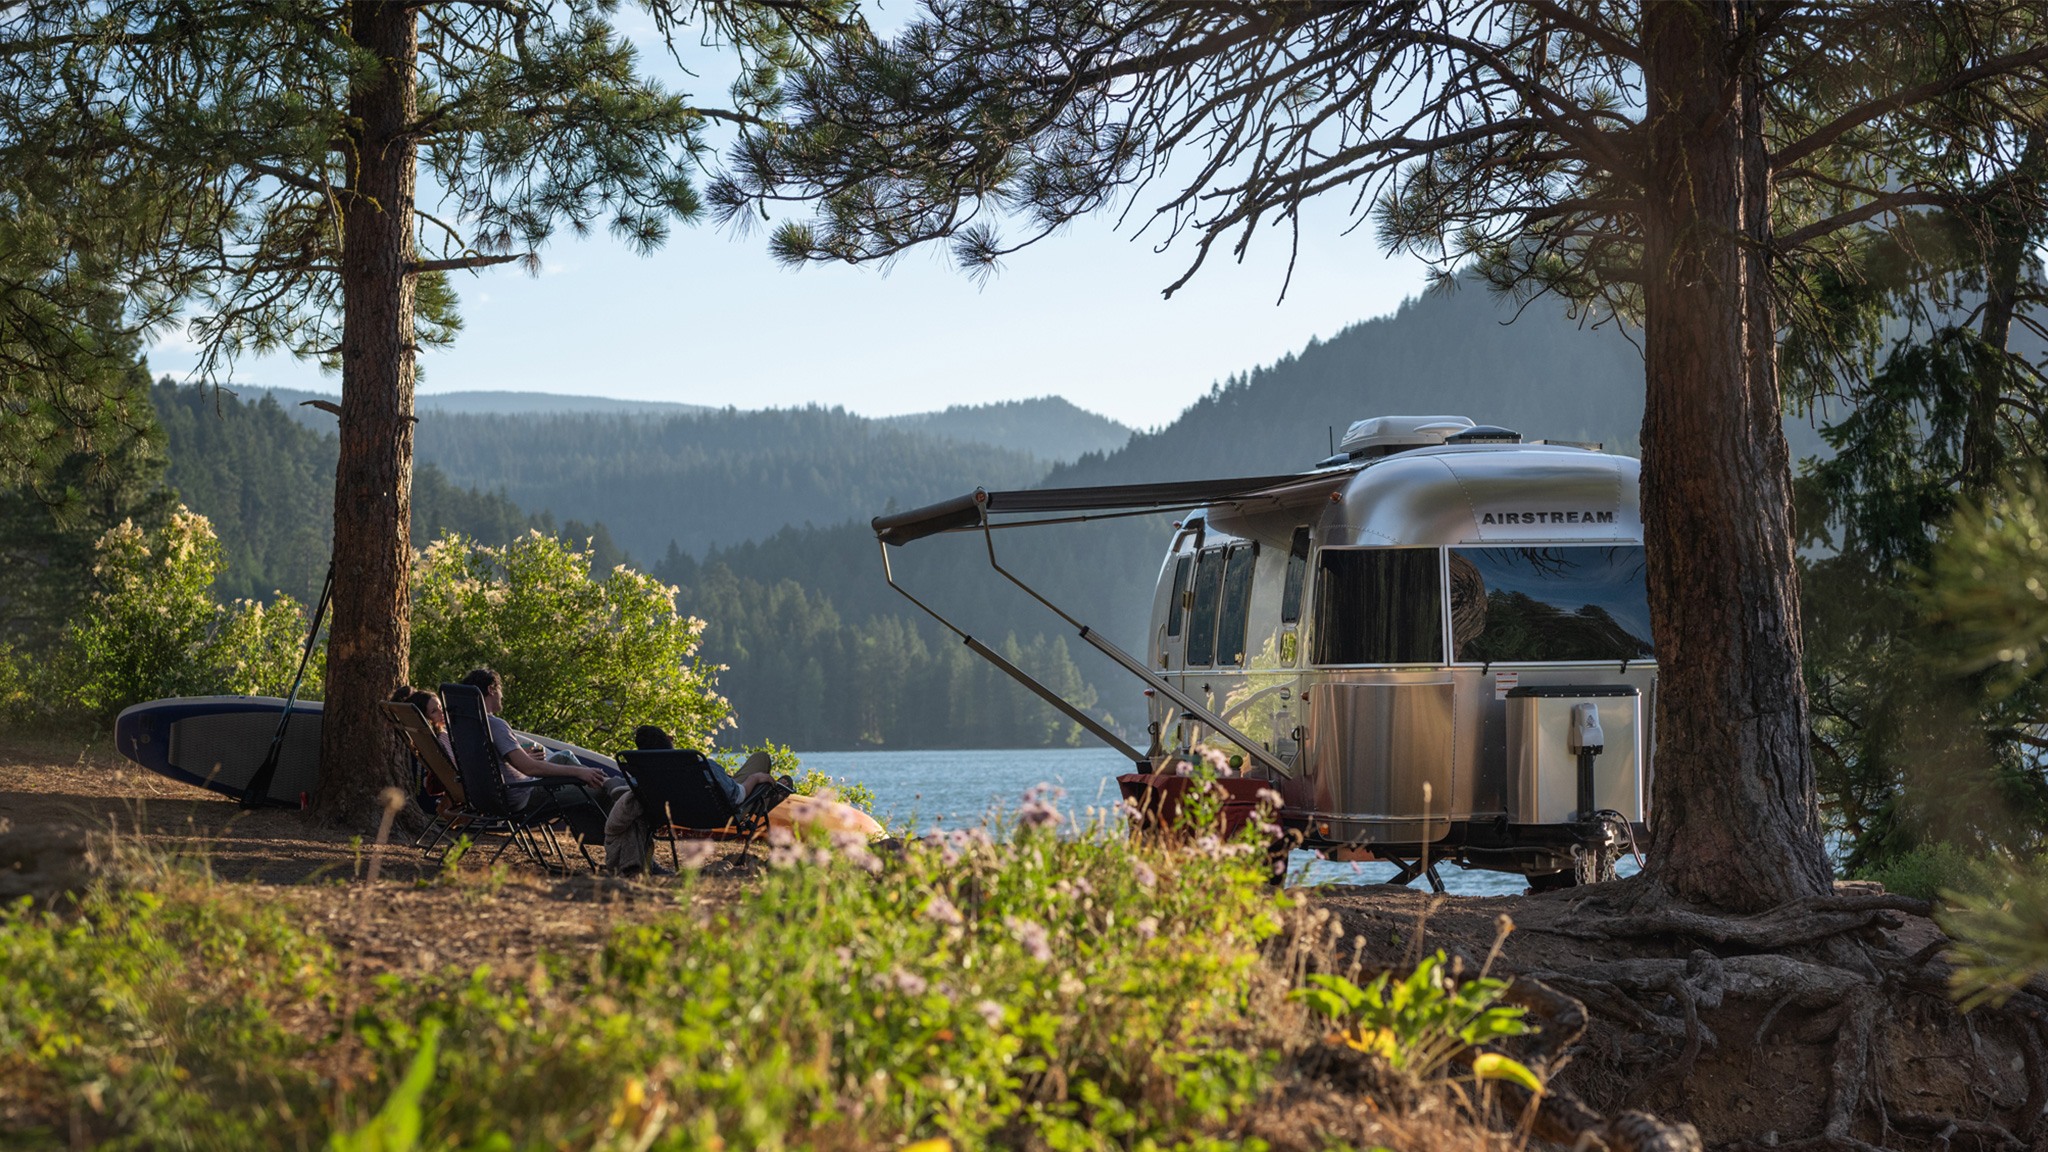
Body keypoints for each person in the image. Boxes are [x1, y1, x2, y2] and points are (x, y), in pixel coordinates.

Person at [459, 667, 646, 871]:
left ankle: (614, 791)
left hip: (496, 796)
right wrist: (579, 773)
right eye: (501, 690)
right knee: (613, 797)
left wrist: (526, 758)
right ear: (491, 689)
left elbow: (497, 764)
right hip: (524, 797)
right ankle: (636, 860)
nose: (502, 696)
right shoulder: (496, 725)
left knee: (567, 759)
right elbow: (530, 768)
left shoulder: (470, 726)